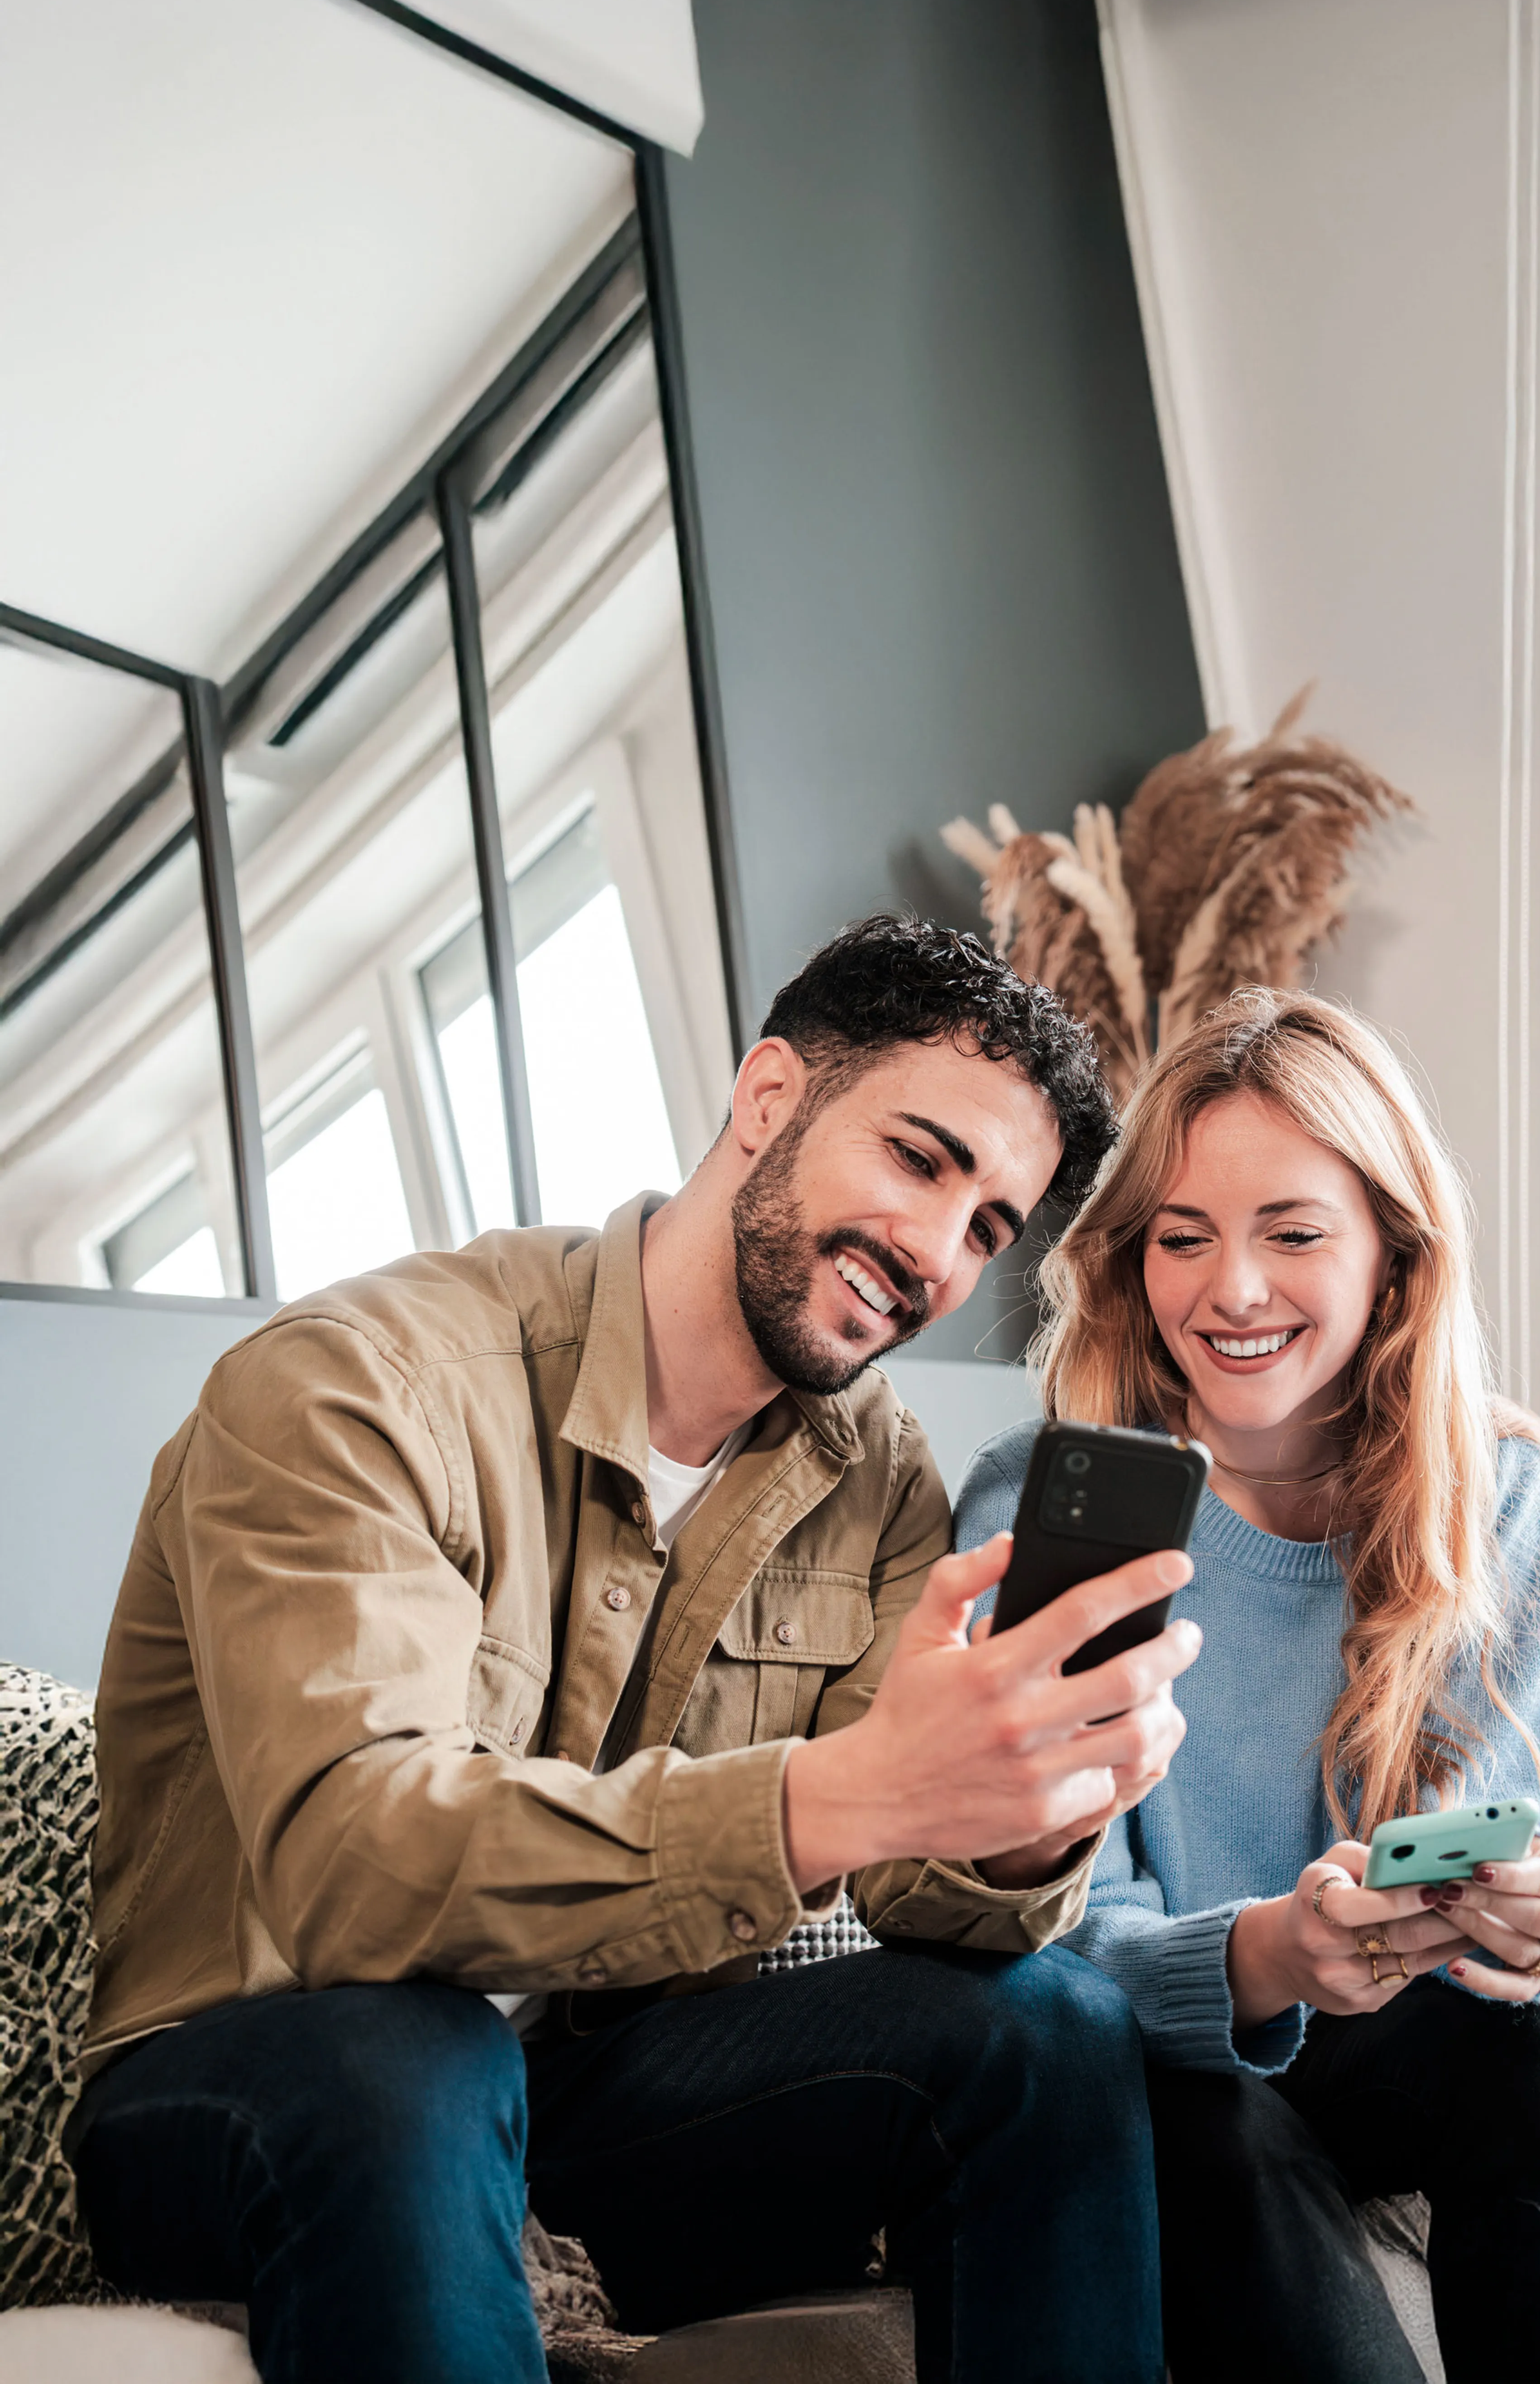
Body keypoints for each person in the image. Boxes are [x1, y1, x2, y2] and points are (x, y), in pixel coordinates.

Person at [67, 916, 1205, 2384]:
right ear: (771, 1096)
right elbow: (357, 1873)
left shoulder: (875, 1478)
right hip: (259, 2081)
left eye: (989, 1226)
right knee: (410, 2055)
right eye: (921, 1159)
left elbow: (921, 1899)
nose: (936, 1251)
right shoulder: (357, 1385)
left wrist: (1022, 1814)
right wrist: (843, 1794)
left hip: (596, 2101)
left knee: (1049, 2026)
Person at [957, 986, 1540, 2384]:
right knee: (1207, 2118)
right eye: (1183, 1239)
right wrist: (1269, 1956)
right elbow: (1040, 1947)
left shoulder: (1502, 1495)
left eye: (1293, 1233)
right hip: (1175, 2060)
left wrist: (1533, 1929)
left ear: (1392, 1262)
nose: (1231, 1290)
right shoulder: (1043, 1506)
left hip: (1412, 2051)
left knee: (1539, 2061)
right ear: (1135, 1260)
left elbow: (1498, 1928)